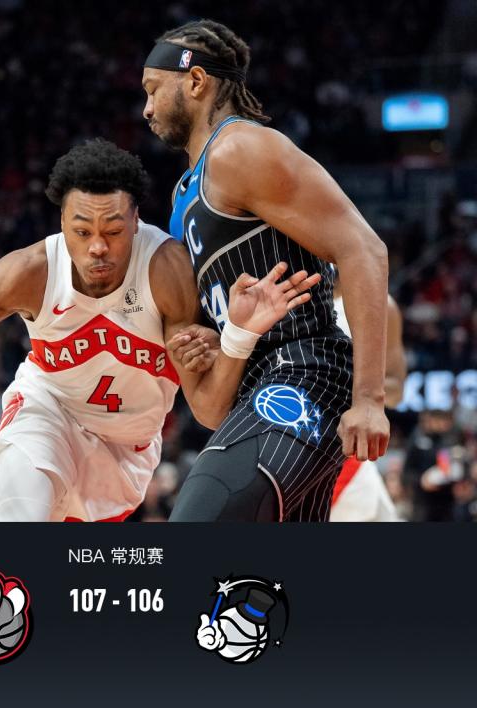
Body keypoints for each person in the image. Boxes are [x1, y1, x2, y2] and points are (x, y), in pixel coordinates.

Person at [0, 139, 319, 522]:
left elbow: (209, 410)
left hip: (127, 450)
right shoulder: (32, 271)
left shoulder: (165, 270)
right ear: (62, 221)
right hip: (47, 411)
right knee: (16, 488)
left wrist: (237, 337)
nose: (97, 247)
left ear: (136, 221)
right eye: (82, 231)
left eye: (113, 231)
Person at [142, 19, 390, 521]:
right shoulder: (183, 197)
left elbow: (365, 249)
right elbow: (210, 411)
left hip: (304, 369)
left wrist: (368, 399)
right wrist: (217, 344)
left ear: (195, 81)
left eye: (152, 89)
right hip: (251, 390)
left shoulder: (241, 149)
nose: (146, 108)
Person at [330, 278, 407, 522]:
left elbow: (396, 390)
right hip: (284, 450)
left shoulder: (379, 303)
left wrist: (358, 387)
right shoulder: (276, 298)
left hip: (347, 459)